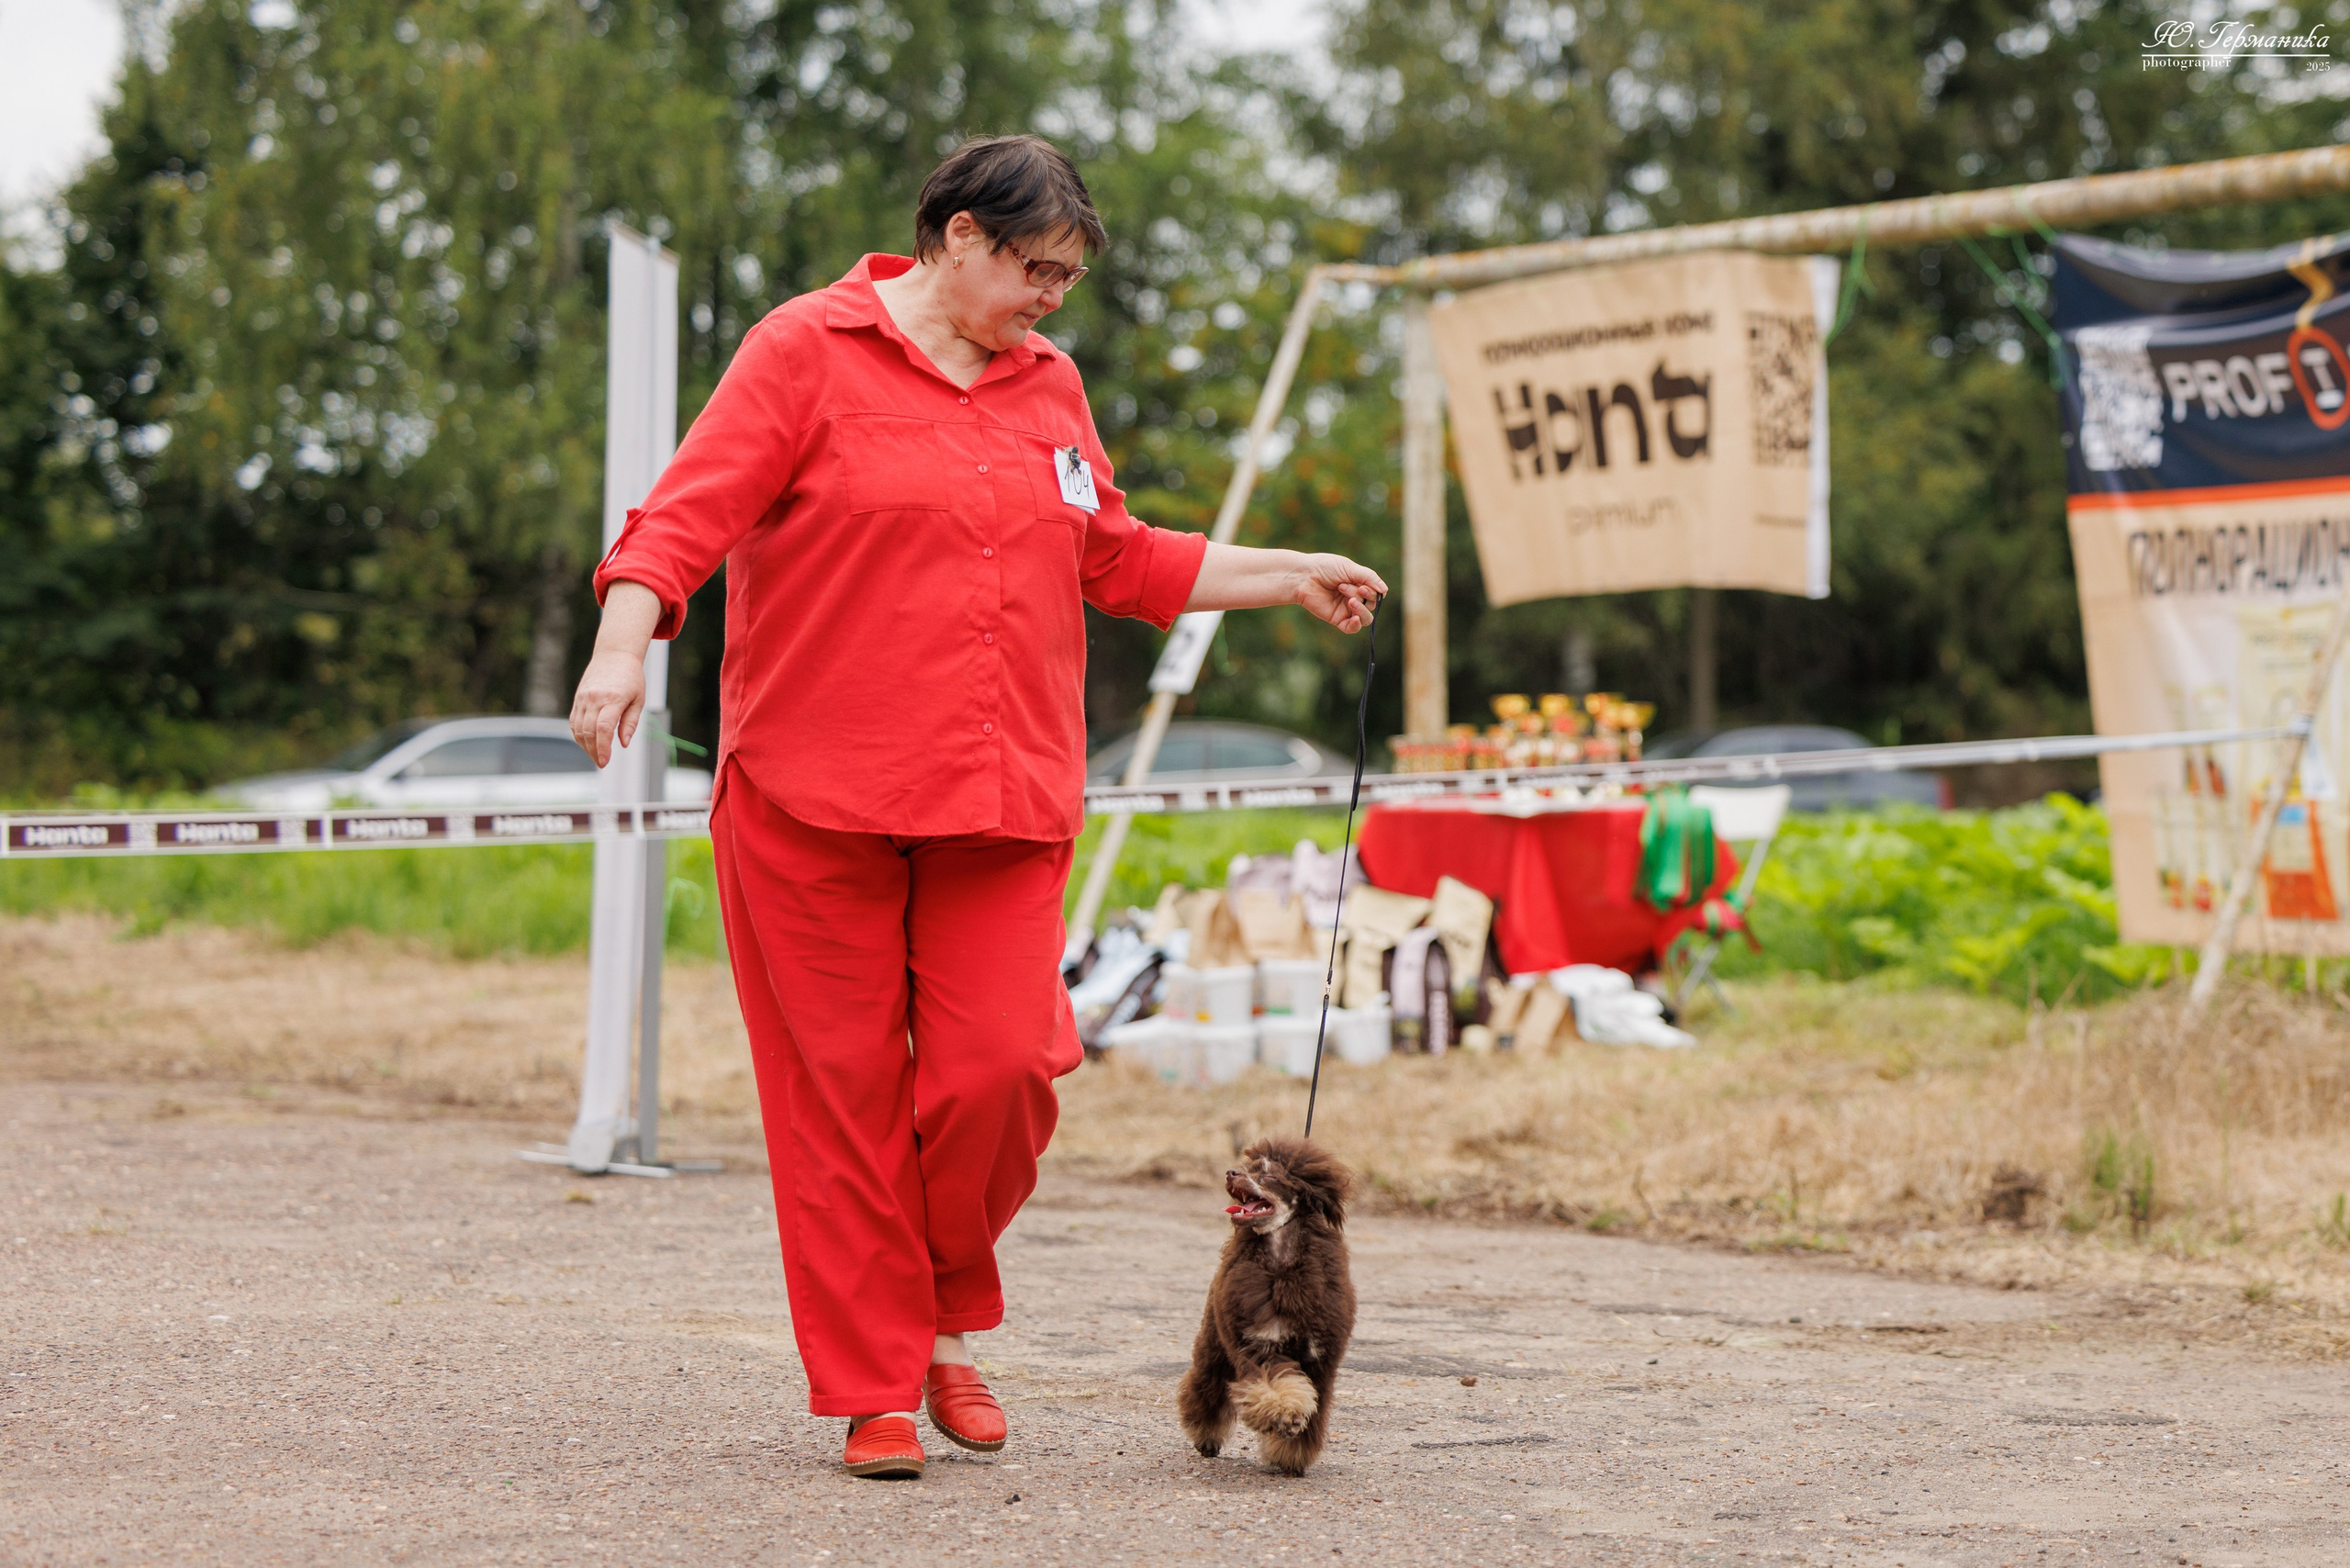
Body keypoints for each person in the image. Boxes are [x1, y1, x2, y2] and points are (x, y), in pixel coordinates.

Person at [571, 133, 1384, 1480]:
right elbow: (682, 519)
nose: (1052, 297)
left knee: (1004, 1070)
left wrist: (1282, 569)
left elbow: (1115, 554)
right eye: (1035, 267)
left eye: (1068, 276)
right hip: (810, 799)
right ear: (955, 237)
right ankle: (882, 1382)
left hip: (999, 797)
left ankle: (947, 1301)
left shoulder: (1048, 385)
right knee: (839, 1101)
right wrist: (621, 647)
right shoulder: (803, 350)